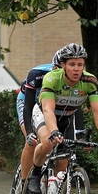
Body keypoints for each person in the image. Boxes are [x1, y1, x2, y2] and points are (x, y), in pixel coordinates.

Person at [24, 43, 98, 194]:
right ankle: (36, 172)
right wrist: (54, 131)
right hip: (43, 114)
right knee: (48, 142)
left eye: (80, 64)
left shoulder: (90, 81)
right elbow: (47, 109)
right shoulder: (51, 78)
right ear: (63, 65)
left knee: (64, 168)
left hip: (67, 118)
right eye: (72, 64)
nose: (76, 69)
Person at [17, 48, 85, 184]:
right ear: (55, 67)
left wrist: (80, 131)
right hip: (30, 102)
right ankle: (25, 184)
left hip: (53, 106)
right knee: (33, 142)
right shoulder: (37, 74)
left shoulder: (73, 78)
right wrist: (29, 133)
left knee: (64, 151)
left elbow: (75, 106)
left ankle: (54, 188)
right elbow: (29, 106)